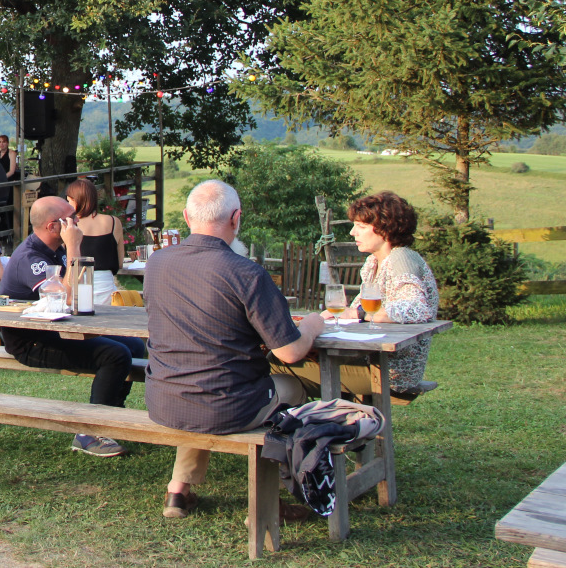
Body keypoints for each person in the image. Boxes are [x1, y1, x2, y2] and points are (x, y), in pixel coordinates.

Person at [145, 180, 325, 520]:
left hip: (164, 399)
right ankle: (270, 499)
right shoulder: (247, 273)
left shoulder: (158, 263)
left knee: (201, 385)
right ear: (236, 218)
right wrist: (314, 325)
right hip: (226, 405)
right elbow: (289, 353)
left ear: (186, 217)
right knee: (293, 388)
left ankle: (178, 491)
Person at [0, 196, 143, 457]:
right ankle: (90, 432)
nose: (78, 223)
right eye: (72, 219)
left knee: (133, 344)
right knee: (115, 354)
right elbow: (64, 296)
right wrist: (74, 246)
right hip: (32, 342)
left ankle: (110, 417)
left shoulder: (55, 249)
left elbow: (77, 293)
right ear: (53, 226)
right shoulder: (31, 257)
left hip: (59, 331)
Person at [272, 191, 438, 397]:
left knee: (274, 364)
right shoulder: (374, 263)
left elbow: (416, 308)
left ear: (385, 228)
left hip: (390, 372)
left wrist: (360, 313)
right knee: (282, 358)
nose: (352, 232)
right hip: (370, 359)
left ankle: (308, 422)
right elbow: (355, 310)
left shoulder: (401, 258)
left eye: (361, 226)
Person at [64, 178, 125, 304]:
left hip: (77, 285)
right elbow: (119, 263)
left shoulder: (69, 227)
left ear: (75, 201)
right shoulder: (113, 222)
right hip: (106, 288)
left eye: (69, 200)